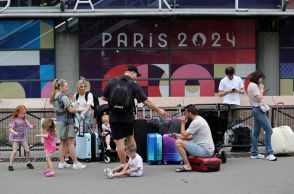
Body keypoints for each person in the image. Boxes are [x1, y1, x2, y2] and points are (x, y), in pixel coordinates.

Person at [102, 65, 169, 170]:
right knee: (130, 137)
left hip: (114, 116)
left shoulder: (112, 81)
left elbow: (104, 97)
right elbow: (146, 101)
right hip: (127, 116)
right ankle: (133, 162)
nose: (136, 77)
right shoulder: (133, 84)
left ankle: (123, 165)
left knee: (119, 141)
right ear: (132, 73)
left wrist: (115, 104)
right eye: (136, 75)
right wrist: (159, 110)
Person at [50, 78, 86, 169]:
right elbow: (71, 110)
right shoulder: (63, 97)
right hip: (67, 121)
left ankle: (62, 163)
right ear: (60, 86)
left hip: (59, 121)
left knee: (62, 143)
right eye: (66, 86)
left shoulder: (54, 96)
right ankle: (75, 163)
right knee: (71, 142)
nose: (67, 88)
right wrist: (80, 109)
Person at [174, 104, 215, 172]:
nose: (185, 115)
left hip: (205, 151)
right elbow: (190, 136)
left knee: (178, 142)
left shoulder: (196, 122)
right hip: (206, 148)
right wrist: (180, 136)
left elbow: (184, 136)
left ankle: (187, 165)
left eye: (185, 113)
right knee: (181, 139)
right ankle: (188, 162)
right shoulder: (199, 119)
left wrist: (182, 123)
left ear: (189, 113)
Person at [247, 70, 277, 161]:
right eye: (261, 78)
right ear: (258, 77)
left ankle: (254, 153)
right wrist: (261, 89)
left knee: (256, 133)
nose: (262, 81)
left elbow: (257, 98)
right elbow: (259, 98)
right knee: (269, 130)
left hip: (256, 109)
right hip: (258, 110)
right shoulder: (254, 85)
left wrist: (261, 91)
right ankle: (269, 153)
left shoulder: (250, 85)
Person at [8, 105, 36, 171]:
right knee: (14, 152)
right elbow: (10, 129)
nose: (23, 115)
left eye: (24, 114)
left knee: (27, 150)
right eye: (22, 114)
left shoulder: (24, 120)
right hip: (15, 138)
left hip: (22, 138)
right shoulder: (14, 120)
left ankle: (28, 163)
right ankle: (10, 165)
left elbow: (30, 126)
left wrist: (33, 126)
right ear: (17, 113)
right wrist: (14, 132)